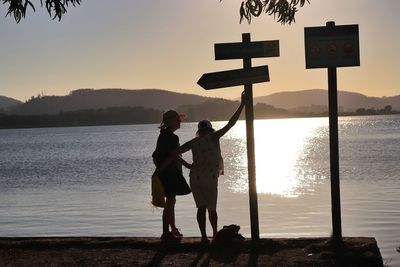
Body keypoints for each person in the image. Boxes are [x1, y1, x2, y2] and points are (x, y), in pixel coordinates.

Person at [156, 92, 245, 244]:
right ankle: (215, 235)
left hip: (195, 177)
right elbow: (231, 123)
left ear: (199, 130)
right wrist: (242, 105)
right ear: (210, 129)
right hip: (209, 177)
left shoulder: (193, 142)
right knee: (212, 209)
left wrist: (184, 165)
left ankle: (204, 237)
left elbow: (174, 153)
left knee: (201, 208)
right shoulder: (214, 137)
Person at [152, 110, 192, 241]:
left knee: (171, 201)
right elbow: (173, 155)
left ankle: (172, 229)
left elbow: (158, 155)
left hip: (166, 171)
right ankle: (166, 233)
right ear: (171, 122)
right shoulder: (171, 137)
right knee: (170, 202)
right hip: (169, 172)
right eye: (178, 120)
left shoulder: (163, 135)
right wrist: (187, 165)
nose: (180, 122)